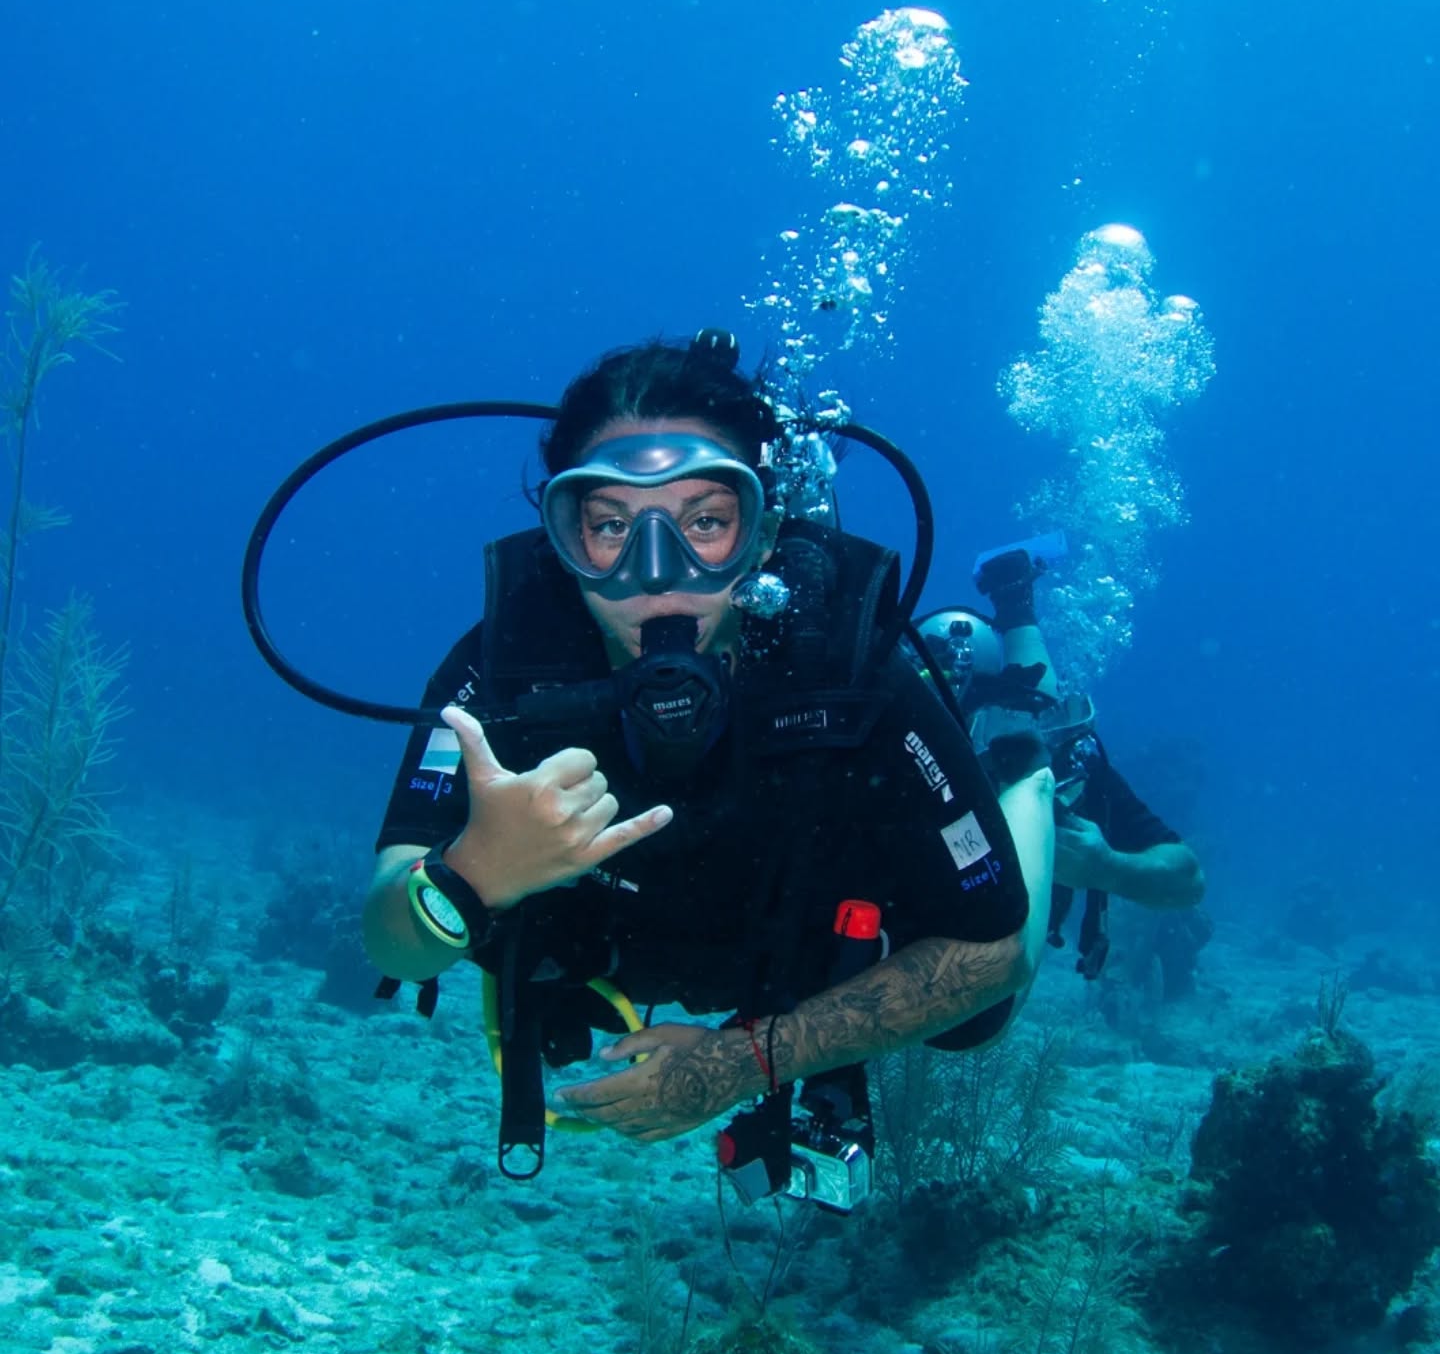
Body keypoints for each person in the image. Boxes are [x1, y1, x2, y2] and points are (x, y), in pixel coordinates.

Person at [360, 334, 1055, 1186]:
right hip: (622, 951)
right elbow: (392, 945)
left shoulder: (846, 670)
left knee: (977, 1021)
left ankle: (1034, 787)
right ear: (564, 535)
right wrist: (472, 873)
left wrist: (744, 1060)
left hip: (800, 954)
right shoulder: (498, 676)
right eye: (613, 525)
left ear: (762, 534)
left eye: (705, 523)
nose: (658, 577)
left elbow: (993, 951)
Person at [920, 546, 1204, 989]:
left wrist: (1107, 868)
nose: (982, 748)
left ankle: (1015, 603)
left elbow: (1188, 878)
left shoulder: (1061, 770)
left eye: (1001, 721)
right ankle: (1013, 602)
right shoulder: (895, 756)